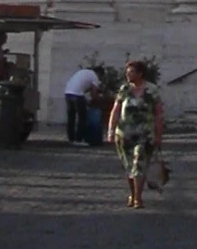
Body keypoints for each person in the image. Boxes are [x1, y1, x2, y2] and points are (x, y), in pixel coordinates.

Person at [106, 58, 165, 208]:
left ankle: (138, 197)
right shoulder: (124, 89)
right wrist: (111, 130)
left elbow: (158, 113)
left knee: (139, 163)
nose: (128, 75)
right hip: (124, 134)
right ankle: (132, 194)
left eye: (131, 72)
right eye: (127, 72)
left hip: (144, 134)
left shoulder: (151, 90)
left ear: (140, 73)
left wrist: (158, 135)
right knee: (129, 166)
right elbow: (116, 110)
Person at [63, 59, 101, 146]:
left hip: (68, 92)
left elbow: (82, 86)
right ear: (99, 73)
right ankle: (79, 139)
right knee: (82, 118)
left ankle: (71, 139)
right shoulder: (95, 76)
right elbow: (94, 93)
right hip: (77, 95)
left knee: (71, 117)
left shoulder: (83, 72)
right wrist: (96, 100)